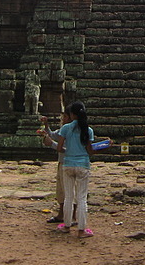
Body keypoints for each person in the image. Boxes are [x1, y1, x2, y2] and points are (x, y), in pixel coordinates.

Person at [56, 101, 108, 238]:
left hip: (67, 164)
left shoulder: (66, 128)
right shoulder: (88, 130)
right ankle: (81, 230)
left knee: (68, 197)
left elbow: (59, 147)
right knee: (82, 198)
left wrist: (69, 151)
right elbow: (90, 151)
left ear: (72, 115)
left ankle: (67, 226)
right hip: (83, 164)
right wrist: (104, 146)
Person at [39, 112, 75, 224]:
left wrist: (52, 144)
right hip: (62, 162)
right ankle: (61, 214)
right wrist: (46, 126)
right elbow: (52, 134)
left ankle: (72, 216)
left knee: (69, 191)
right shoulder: (63, 130)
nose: (62, 119)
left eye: (64, 117)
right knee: (60, 190)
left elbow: (66, 149)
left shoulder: (73, 131)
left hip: (69, 163)